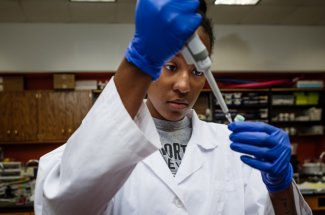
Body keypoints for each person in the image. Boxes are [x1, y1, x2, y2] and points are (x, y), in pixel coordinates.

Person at [34, 0, 312, 214]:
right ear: (151, 64)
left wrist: (280, 185)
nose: (184, 85)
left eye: (197, 71)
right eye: (171, 66)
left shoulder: (235, 149)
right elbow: (60, 204)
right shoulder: (98, 145)